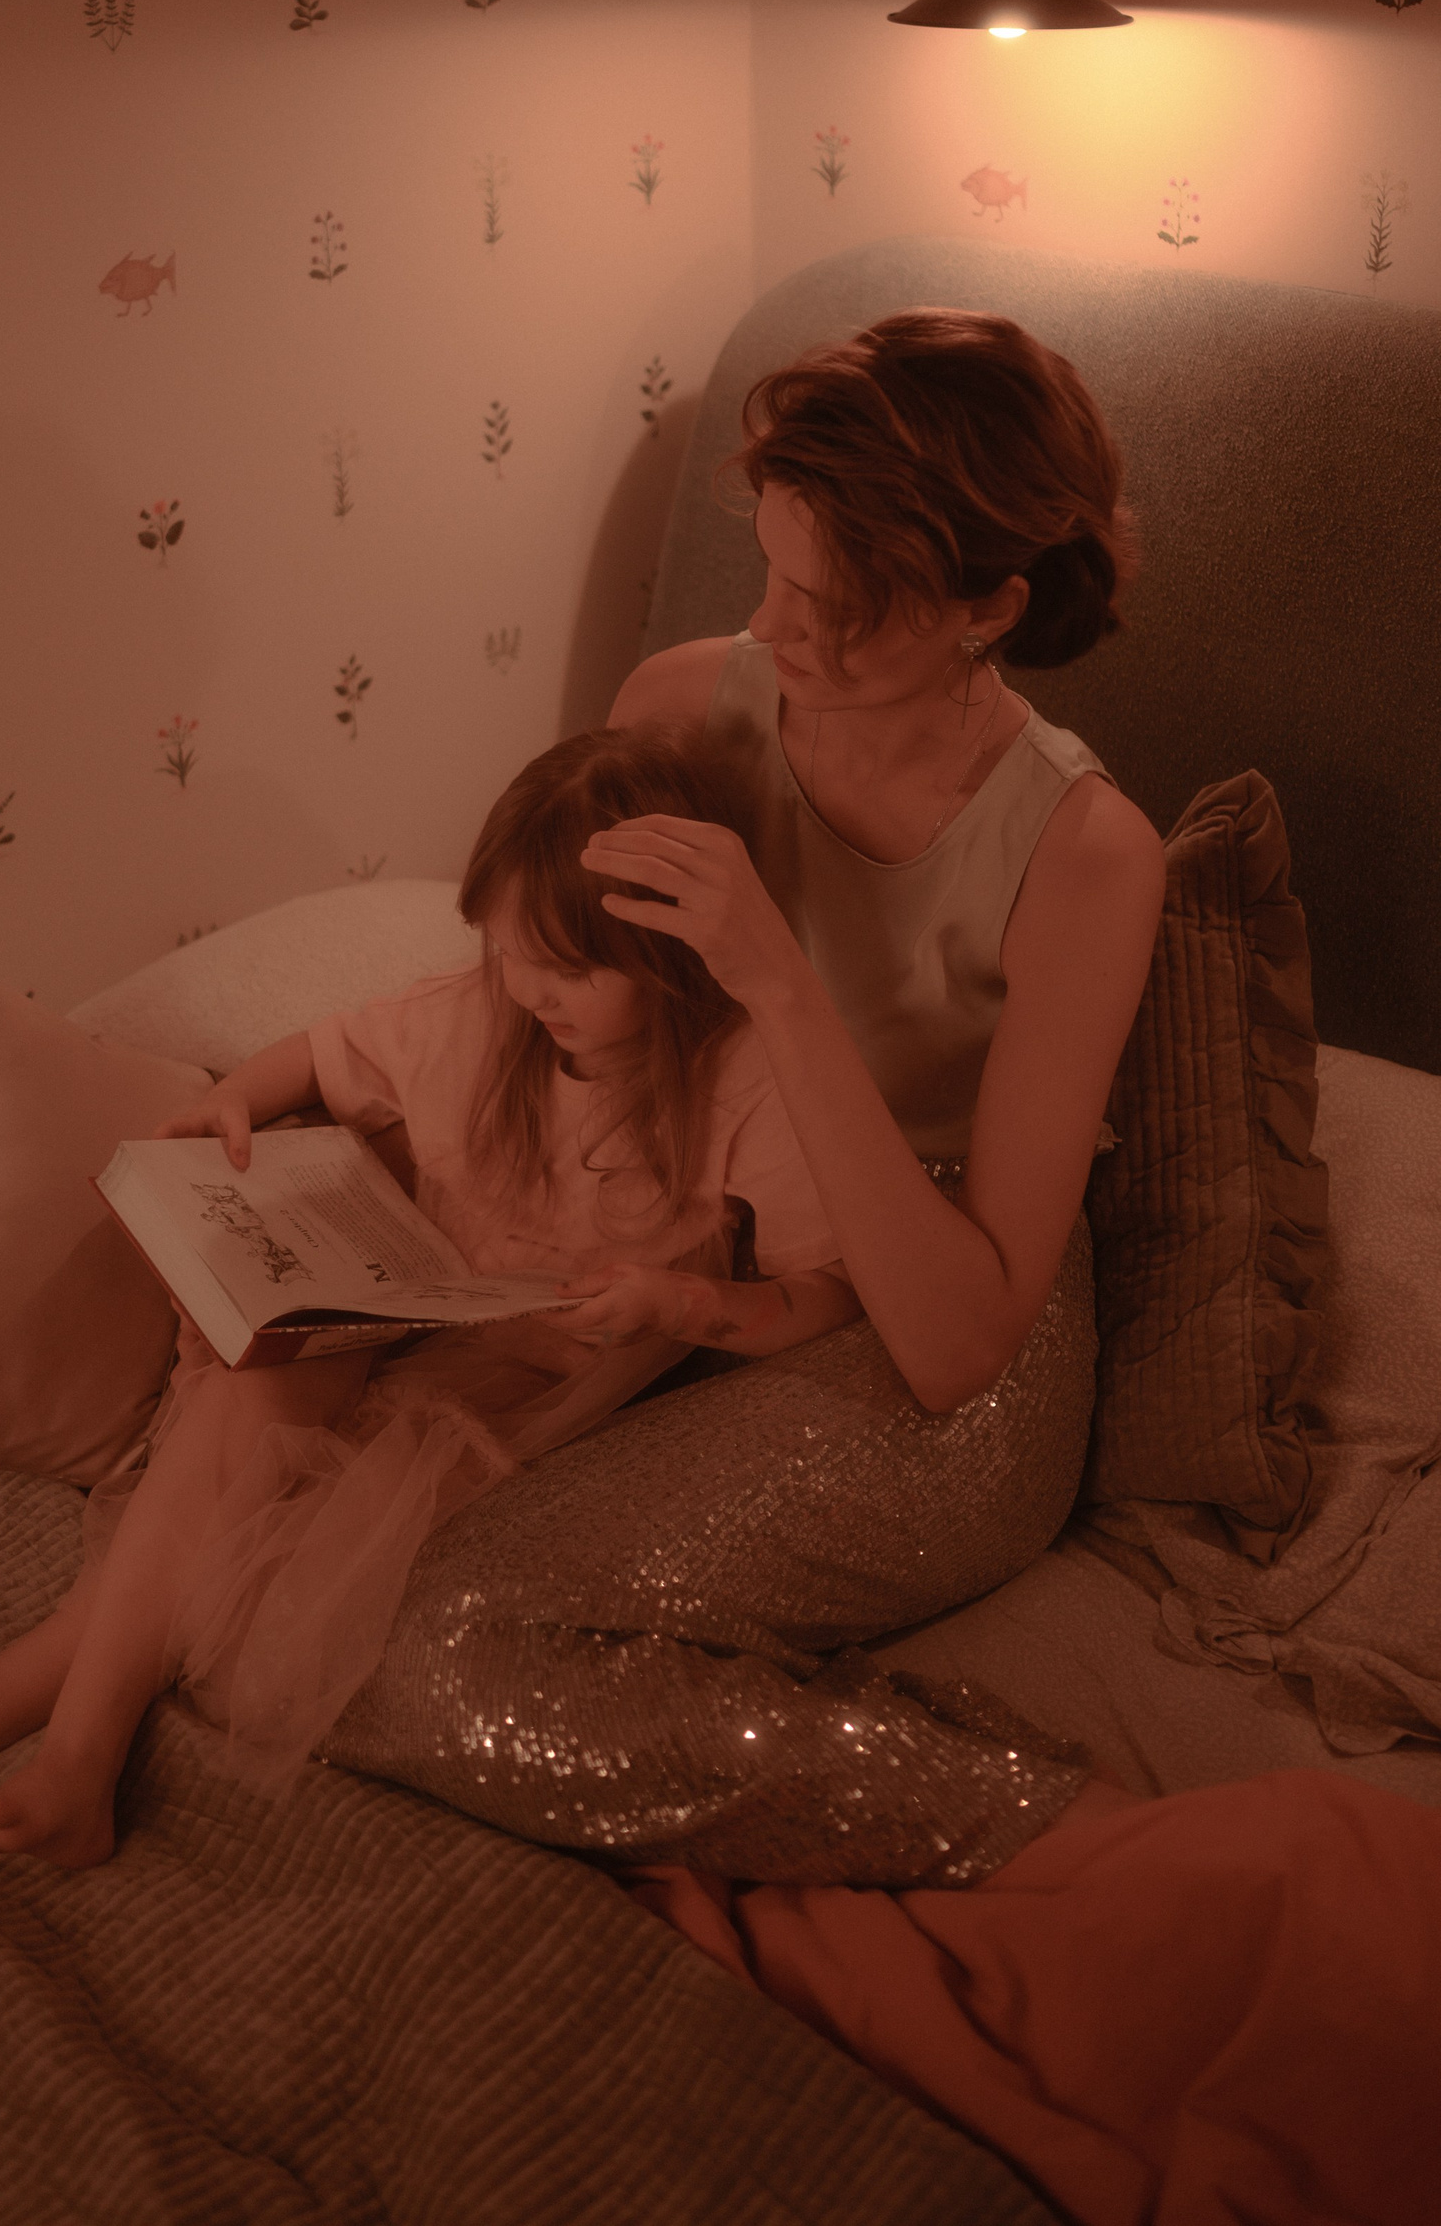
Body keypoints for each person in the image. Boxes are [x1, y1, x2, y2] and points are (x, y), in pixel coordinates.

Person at [319, 309, 1166, 1878]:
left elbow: (960, 1341)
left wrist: (779, 980)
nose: (772, 630)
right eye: (769, 571)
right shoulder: (680, 709)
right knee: (343, 1597)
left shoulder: (1087, 852)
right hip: (708, 1236)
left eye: (834, 610)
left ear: (989, 608)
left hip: (936, 1324)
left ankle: (1062, 1835)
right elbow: (546, 989)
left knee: (430, 1651)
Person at [0, 726, 851, 1867]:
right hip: (404, 1314)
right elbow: (327, 1052)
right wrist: (241, 1104)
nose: (530, 992)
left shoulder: (746, 1085)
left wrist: (685, 1307)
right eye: (510, 953)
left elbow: (823, 1297)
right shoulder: (484, 1020)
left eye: (569, 971)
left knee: (230, 1521)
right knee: (250, 1395)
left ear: (672, 952)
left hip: (540, 1394)